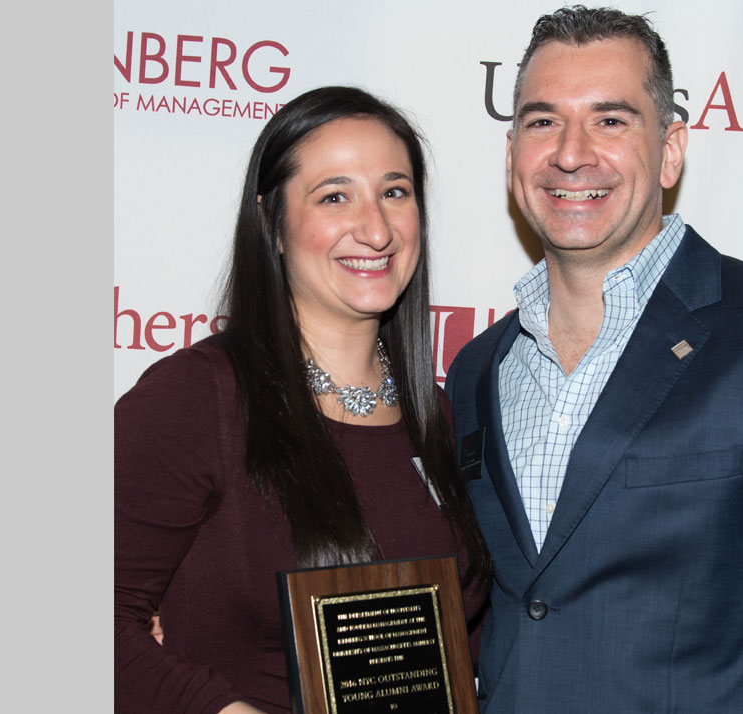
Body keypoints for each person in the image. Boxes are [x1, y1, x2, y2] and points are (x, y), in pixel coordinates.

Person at [444, 6, 743, 713]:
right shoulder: (475, 371)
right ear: (511, 153)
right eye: (543, 121)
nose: (571, 153)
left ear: (671, 149)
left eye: (611, 120)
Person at [115, 86, 491, 714]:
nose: (376, 229)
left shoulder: (442, 418)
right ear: (273, 225)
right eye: (334, 197)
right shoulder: (197, 399)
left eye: (395, 192)